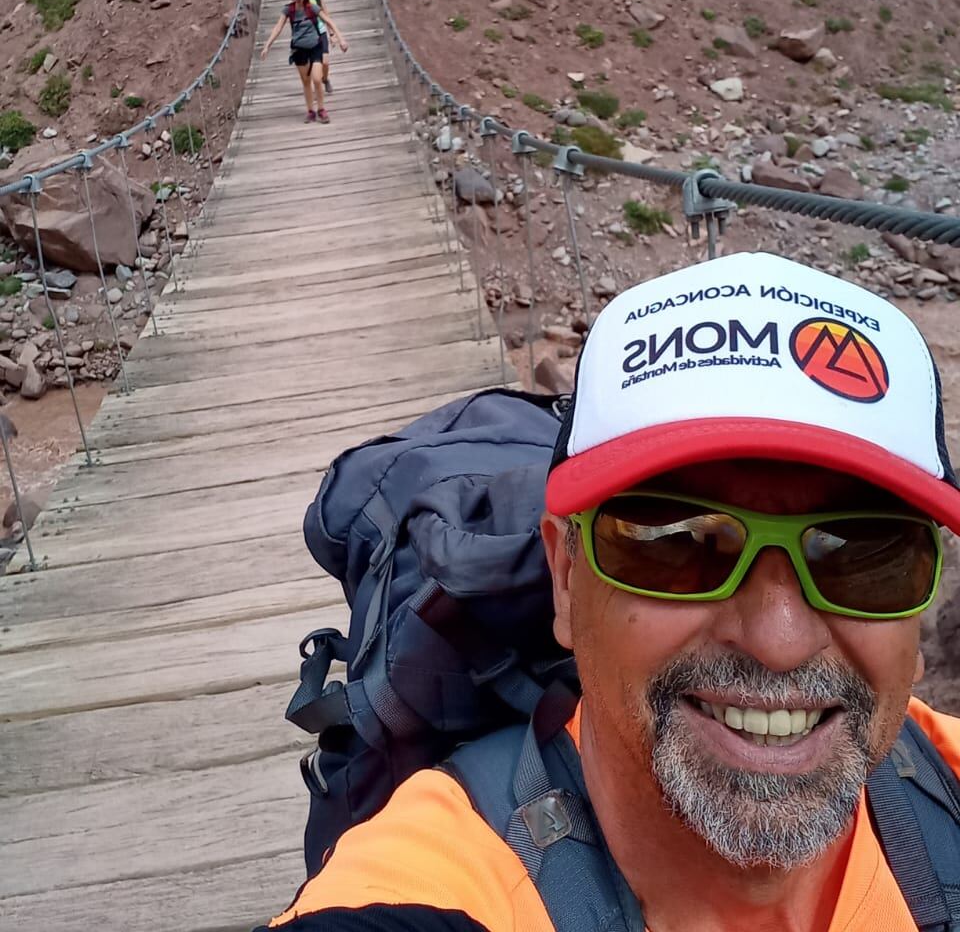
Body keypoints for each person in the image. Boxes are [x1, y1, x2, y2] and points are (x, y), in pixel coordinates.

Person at [257, 251, 960, 932]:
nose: (777, 640)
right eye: (677, 542)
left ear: (921, 611)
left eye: (866, 553)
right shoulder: (436, 880)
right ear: (566, 579)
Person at [260, 0, 347, 123]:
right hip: (299, 49)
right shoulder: (289, 10)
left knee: (317, 79)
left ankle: (321, 109)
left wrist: (340, 39)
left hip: (315, 47)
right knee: (306, 81)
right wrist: (267, 45)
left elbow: (329, 21)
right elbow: (278, 27)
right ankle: (310, 111)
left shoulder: (311, 8)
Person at [300, 0, 343, 94]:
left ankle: (325, 79)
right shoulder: (299, 1)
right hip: (307, 35)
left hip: (321, 31)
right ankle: (316, 87)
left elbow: (326, 16)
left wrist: (332, 34)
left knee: (325, 62)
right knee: (312, 64)